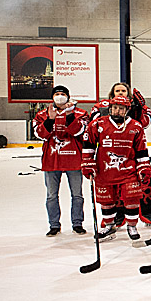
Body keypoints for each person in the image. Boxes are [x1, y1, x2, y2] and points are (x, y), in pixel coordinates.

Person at [81, 95, 151, 244]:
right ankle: (109, 226)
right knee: (106, 200)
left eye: (121, 108)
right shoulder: (97, 124)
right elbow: (88, 144)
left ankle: (132, 226)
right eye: (115, 108)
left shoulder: (136, 126)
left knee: (131, 198)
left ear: (127, 110)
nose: (117, 111)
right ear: (110, 108)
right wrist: (88, 163)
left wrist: (144, 167)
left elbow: (141, 150)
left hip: (129, 171)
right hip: (104, 170)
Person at [33, 84, 88, 236]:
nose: (60, 96)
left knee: (77, 195)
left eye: (63, 94)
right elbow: (39, 134)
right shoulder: (42, 115)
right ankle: (54, 225)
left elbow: (80, 132)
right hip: (51, 161)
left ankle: (77, 223)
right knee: (51, 195)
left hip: (74, 160)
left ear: (68, 96)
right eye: (56, 94)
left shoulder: (80, 113)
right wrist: (50, 120)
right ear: (52, 97)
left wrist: (70, 116)